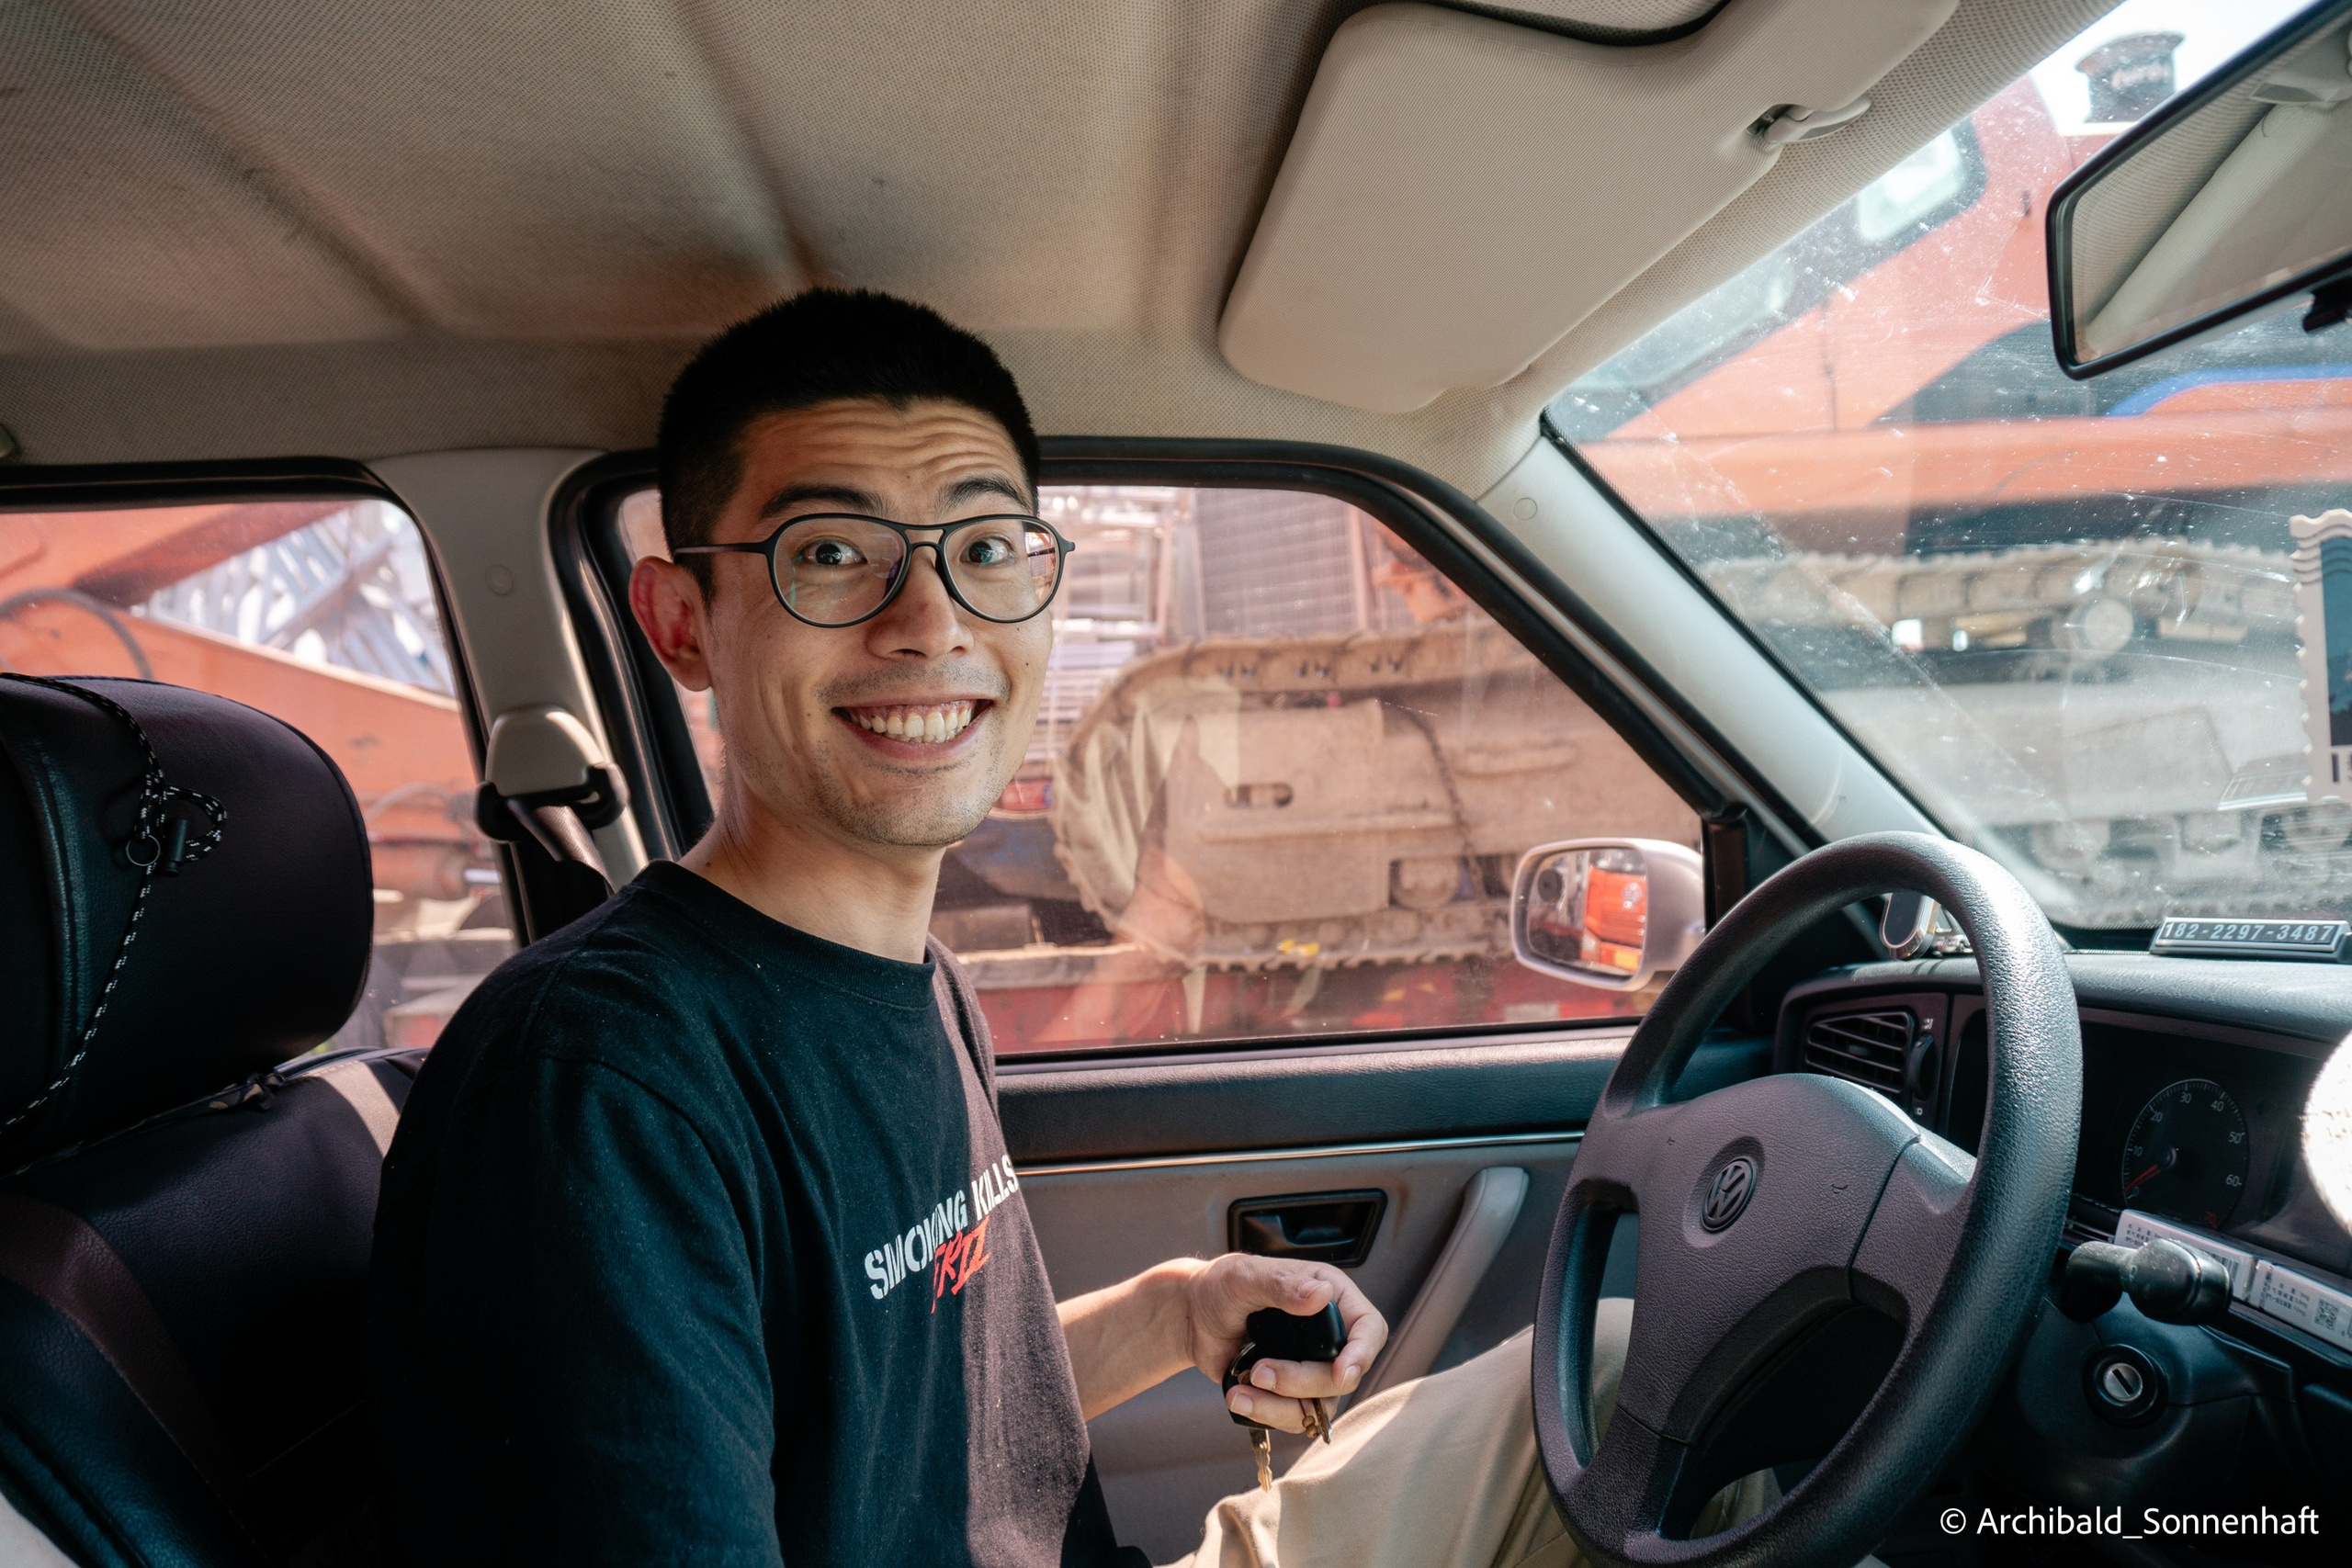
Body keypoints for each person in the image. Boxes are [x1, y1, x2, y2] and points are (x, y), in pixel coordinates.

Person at [367, 288, 1725, 1568]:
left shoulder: (913, 980)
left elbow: (906, 1432)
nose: (930, 623)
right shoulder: (602, 1088)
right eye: (830, 553)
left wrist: (1175, 1311)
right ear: (682, 624)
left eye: (983, 550)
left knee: (1642, 1377)